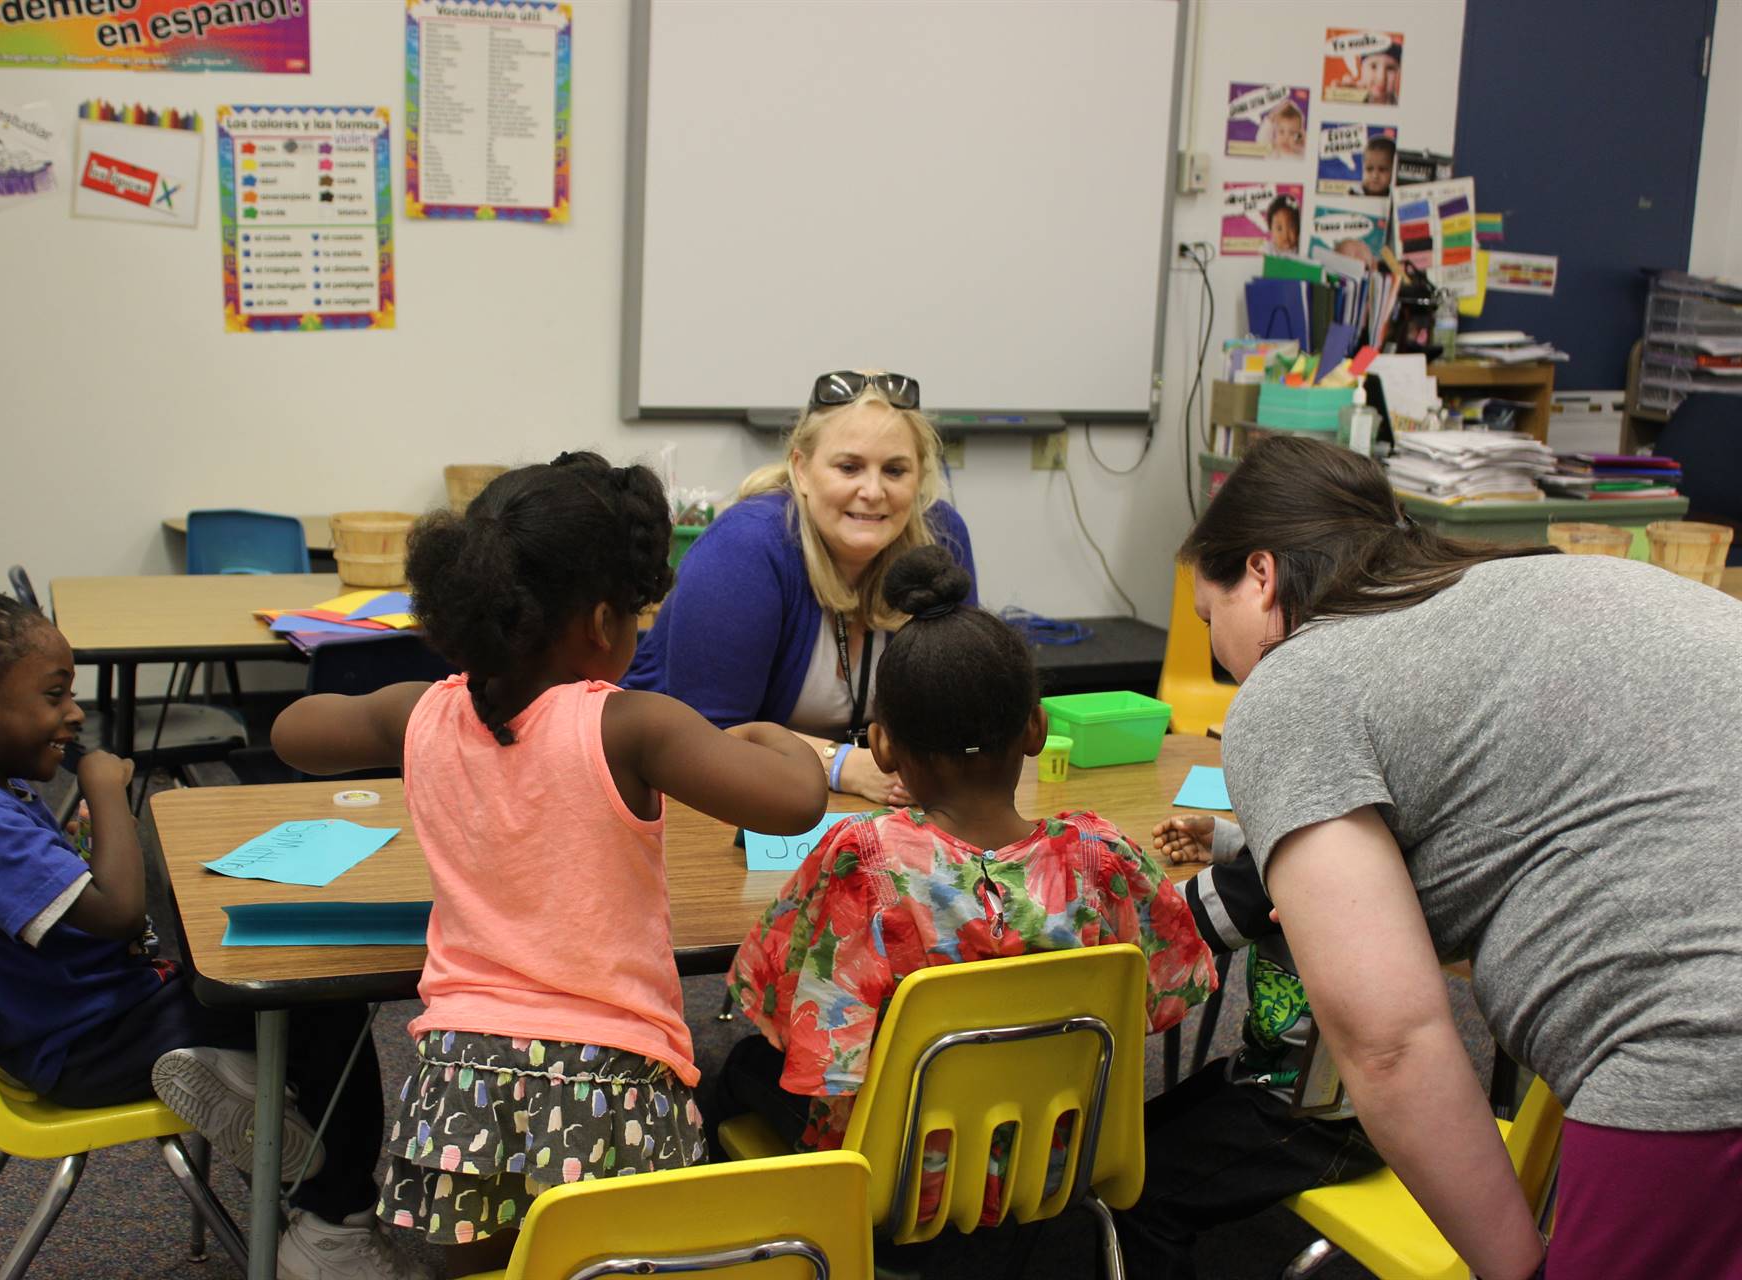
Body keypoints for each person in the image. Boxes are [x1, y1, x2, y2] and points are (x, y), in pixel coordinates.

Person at [1183, 434, 1742, 1280]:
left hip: (1700, 1032)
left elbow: (1389, 1041)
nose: (1219, 658)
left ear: (1260, 576)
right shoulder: (1533, 579)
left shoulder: (1295, 683)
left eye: (1206, 617)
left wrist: (1517, 1271)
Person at [267, 453, 827, 1275]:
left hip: (458, 1078)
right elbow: (796, 800)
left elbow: (294, 733)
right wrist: (774, 737)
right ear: (603, 622)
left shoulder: (424, 712)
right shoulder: (634, 726)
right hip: (609, 1081)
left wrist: (414, 716)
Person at [0, 590, 417, 1280]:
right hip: (94, 1040)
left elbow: (56, 905)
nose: (74, 714)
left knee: (261, 978)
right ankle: (334, 1225)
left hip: (76, 1023)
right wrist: (106, 790)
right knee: (319, 992)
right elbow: (114, 910)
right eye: (55, 696)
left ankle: (258, 1107)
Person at [716, 546, 1217, 1223]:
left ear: (882, 745)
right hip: (1060, 1163)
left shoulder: (863, 864)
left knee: (739, 1062)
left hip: (896, 1184)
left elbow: (778, 1004)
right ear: (1037, 728)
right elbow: (1164, 996)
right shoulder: (1104, 857)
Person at [625, 370, 976, 807]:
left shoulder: (939, 539)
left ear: (919, 477)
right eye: (849, 467)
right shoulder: (747, 546)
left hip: (860, 803)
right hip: (683, 793)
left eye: (895, 470)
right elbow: (707, 734)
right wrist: (841, 764)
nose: (873, 490)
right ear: (801, 470)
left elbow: (962, 706)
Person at [1114, 814, 1382, 1280]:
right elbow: (1286, 849)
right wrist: (1232, 842)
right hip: (1309, 1082)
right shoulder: (1341, 844)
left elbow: (1164, 929)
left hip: (1323, 1116)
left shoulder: (1280, 872)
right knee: (1128, 1142)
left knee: (1141, 1191)